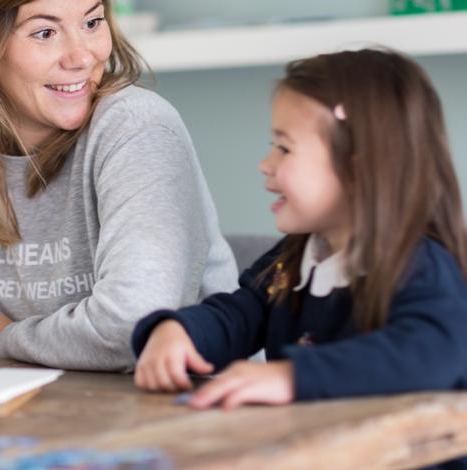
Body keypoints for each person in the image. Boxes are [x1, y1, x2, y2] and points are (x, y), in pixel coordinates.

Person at [0, 0, 238, 371]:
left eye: (92, 22)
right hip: (15, 433)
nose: (82, 56)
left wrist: (5, 340)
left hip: (173, 425)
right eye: (45, 33)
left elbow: (134, 324)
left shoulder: (138, 129)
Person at [132, 48, 467, 408]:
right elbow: (241, 313)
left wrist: (293, 376)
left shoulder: (420, 265)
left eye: (285, 149)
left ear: (358, 169)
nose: (265, 163)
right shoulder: (295, 258)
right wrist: (178, 332)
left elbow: (435, 353)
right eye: (271, 146)